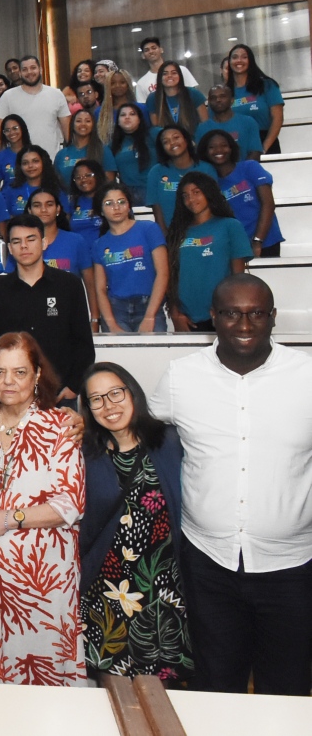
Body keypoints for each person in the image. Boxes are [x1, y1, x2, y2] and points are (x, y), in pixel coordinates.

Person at [150, 274, 312, 695]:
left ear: (273, 317)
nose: (244, 325)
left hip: (292, 568)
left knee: (289, 690)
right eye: (231, 313)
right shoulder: (181, 377)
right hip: (208, 565)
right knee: (216, 687)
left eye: (256, 313)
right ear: (213, 316)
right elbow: (136, 431)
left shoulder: (306, 375)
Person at [0, 331, 86, 686]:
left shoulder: (60, 426)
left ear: (37, 375)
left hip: (44, 581)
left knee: (42, 677)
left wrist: (8, 519)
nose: (8, 381)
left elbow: (71, 504)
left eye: (19, 372)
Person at [78, 363, 190, 681]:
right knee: (115, 696)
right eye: (96, 399)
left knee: (165, 697)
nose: (108, 405)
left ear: (132, 392)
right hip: (107, 597)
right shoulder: (84, 455)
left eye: (116, 393)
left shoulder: (170, 442)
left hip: (165, 596)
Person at [0, 215, 93, 400]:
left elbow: (83, 343)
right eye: (16, 241)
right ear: (10, 248)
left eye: (30, 239)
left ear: (44, 243)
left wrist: (74, 386)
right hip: (13, 392)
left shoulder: (69, 285)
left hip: (61, 393)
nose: (24, 246)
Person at [165, 173, 252, 333]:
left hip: (223, 314)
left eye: (196, 192)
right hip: (187, 319)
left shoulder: (230, 226)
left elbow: (238, 277)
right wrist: (176, 314)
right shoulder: (177, 232)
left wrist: (233, 312)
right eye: (185, 196)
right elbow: (170, 275)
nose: (191, 199)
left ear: (208, 192)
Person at [92, 184, 169, 334]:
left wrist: (150, 316)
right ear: (101, 211)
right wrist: (111, 324)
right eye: (109, 203)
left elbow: (163, 273)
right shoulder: (99, 244)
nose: (116, 207)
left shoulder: (149, 229)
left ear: (129, 206)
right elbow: (100, 289)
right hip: (116, 310)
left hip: (149, 305)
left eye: (121, 202)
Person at [200, 128, 282, 257]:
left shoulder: (250, 167)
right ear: (205, 152)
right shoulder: (209, 182)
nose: (219, 150)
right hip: (236, 248)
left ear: (231, 148)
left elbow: (268, 204)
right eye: (212, 147)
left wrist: (257, 241)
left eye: (224, 145)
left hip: (266, 242)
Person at [0, 55, 71, 155]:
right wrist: (7, 156)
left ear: (40, 70)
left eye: (33, 68)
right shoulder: (8, 96)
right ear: (20, 73)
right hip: (19, 161)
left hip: (51, 159)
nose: (29, 72)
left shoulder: (56, 94)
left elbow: (68, 131)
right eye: (25, 69)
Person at [226, 43, 284, 152]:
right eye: (235, 57)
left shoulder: (267, 85)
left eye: (244, 57)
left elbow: (278, 119)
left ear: (251, 61)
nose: (239, 60)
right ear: (229, 62)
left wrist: (264, 148)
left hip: (265, 143)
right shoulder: (225, 92)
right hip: (235, 147)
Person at [145, 124, 200, 230]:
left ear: (186, 140)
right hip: (172, 233)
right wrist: (166, 238)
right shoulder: (156, 172)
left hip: (204, 233)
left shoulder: (206, 168)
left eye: (176, 137)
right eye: (166, 142)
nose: (172, 143)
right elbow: (157, 211)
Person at [3, 145, 69, 222]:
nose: (30, 166)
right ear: (20, 166)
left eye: (35, 161)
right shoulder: (10, 191)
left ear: (43, 163)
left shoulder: (57, 190)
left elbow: (66, 218)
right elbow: (5, 221)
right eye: (25, 163)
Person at [55, 108, 117, 187]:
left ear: (93, 125)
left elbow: (109, 181)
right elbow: (56, 182)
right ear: (72, 125)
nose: (83, 124)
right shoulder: (61, 154)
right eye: (78, 121)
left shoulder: (104, 151)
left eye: (87, 121)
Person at [203, 85, 263, 159]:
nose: (218, 100)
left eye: (222, 96)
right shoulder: (202, 128)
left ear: (232, 100)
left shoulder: (249, 122)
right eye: (213, 97)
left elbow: (255, 152)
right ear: (209, 102)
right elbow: (201, 157)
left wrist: (243, 167)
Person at [133, 37, 200, 104]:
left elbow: (194, 95)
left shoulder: (181, 70)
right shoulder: (141, 83)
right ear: (143, 55)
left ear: (161, 50)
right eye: (147, 50)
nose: (151, 52)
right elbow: (143, 106)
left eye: (154, 48)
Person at [148, 62, 206, 137]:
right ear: (160, 78)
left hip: (194, 140)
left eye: (174, 73)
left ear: (180, 76)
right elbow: (156, 128)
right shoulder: (153, 98)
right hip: (168, 141)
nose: (169, 76)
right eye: (165, 74)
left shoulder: (193, 93)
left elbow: (205, 122)